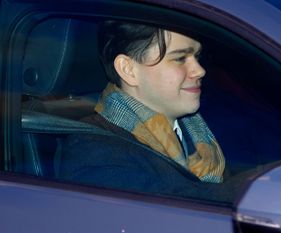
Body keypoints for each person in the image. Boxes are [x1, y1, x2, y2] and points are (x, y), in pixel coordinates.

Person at [58, 20, 241, 201]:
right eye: (179, 59)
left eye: (197, 57)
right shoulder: (95, 149)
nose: (199, 70)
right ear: (128, 70)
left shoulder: (197, 131)